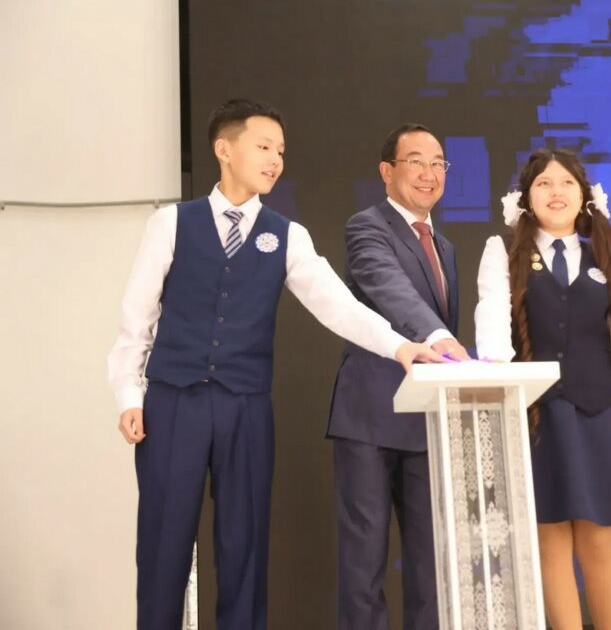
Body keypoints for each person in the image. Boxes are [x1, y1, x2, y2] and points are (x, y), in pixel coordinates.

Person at [107, 99, 441, 630]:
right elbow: (137, 317)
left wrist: (400, 346)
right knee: (163, 547)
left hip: (246, 407)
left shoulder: (287, 235)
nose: (275, 160)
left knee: (244, 548)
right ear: (224, 149)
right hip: (172, 402)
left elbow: (337, 305)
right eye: (263, 147)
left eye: (281, 151)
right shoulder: (171, 223)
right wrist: (129, 394)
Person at [475, 148, 611, 630]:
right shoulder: (503, 252)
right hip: (538, 419)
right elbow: (491, 329)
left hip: (599, 415)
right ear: (525, 196)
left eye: (565, 183)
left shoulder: (605, 255)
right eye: (543, 183)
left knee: (599, 542)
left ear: (584, 196)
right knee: (551, 541)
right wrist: (501, 399)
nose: (555, 192)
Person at [327, 123, 468, 630]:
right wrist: (441, 339)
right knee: (364, 563)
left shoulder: (444, 246)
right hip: (370, 417)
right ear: (387, 171)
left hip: (428, 422)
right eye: (416, 161)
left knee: (432, 565)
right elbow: (390, 290)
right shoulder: (367, 227)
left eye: (438, 163)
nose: (429, 173)